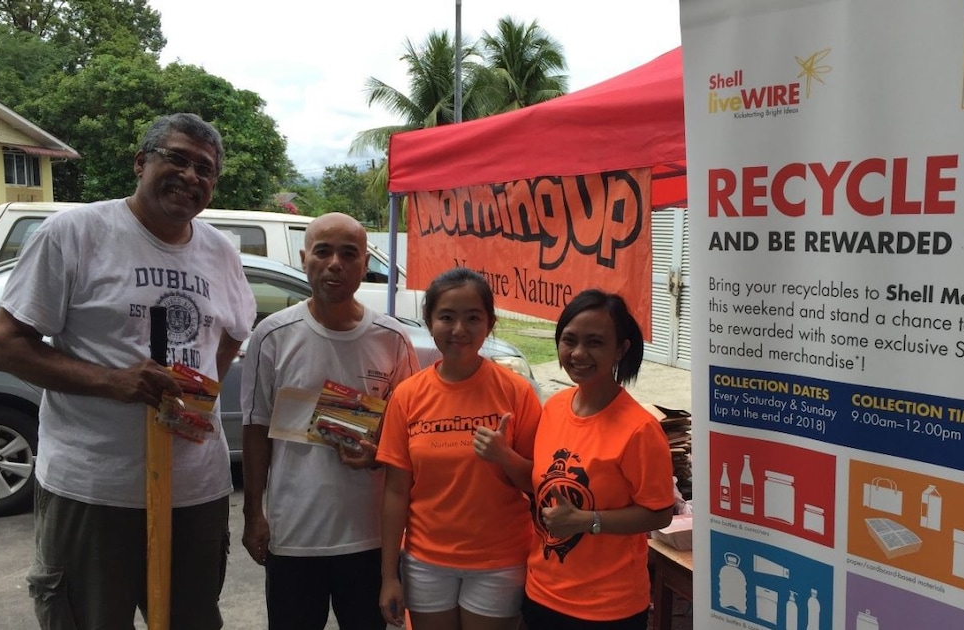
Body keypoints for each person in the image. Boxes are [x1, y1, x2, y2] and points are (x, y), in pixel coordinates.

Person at [0, 112, 257, 628]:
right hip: (94, 488)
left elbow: (234, 331)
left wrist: (200, 394)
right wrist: (116, 383)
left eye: (206, 168)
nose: (192, 176)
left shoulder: (220, 252)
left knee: (190, 619)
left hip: (196, 490)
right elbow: (6, 347)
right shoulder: (76, 233)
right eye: (177, 158)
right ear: (140, 162)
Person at [240, 212, 420, 630]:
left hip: (371, 539)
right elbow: (255, 431)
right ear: (305, 259)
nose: (335, 263)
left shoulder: (391, 339)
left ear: (364, 265)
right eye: (323, 251)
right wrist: (254, 513)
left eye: (349, 254)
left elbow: (408, 434)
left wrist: (378, 455)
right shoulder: (272, 335)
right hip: (294, 537)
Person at [376, 267, 542, 630]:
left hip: (499, 561)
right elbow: (395, 491)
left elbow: (538, 482)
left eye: (473, 318)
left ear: (490, 322)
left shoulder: (516, 392)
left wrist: (505, 456)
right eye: (447, 317)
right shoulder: (408, 395)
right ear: (429, 322)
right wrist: (390, 575)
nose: (459, 330)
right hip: (425, 561)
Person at [522, 289, 675, 630]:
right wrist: (502, 458)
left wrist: (586, 520)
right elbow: (544, 485)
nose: (578, 353)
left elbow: (660, 512)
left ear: (621, 349)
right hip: (541, 592)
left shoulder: (639, 430)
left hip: (607, 608)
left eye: (594, 342)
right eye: (569, 340)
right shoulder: (555, 407)